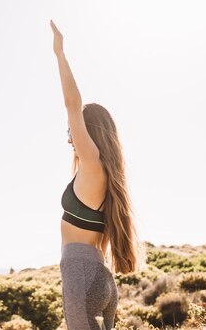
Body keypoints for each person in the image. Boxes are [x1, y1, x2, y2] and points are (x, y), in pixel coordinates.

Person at [50, 20, 140, 330]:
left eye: (73, 132)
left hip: (79, 275)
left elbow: (72, 105)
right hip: (100, 277)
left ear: (88, 134)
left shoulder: (92, 163)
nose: (69, 138)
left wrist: (60, 53)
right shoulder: (106, 175)